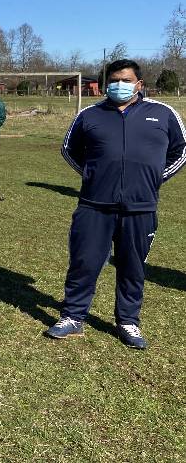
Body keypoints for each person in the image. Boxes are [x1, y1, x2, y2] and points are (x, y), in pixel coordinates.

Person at [46, 59, 185, 349]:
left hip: (141, 207)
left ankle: (128, 321)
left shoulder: (163, 114)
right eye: (114, 80)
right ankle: (73, 317)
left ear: (139, 84)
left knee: (132, 266)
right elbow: (69, 149)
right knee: (84, 262)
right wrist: (93, 175)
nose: (119, 85)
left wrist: (154, 179)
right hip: (94, 206)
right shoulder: (89, 115)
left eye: (125, 80)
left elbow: (180, 151)